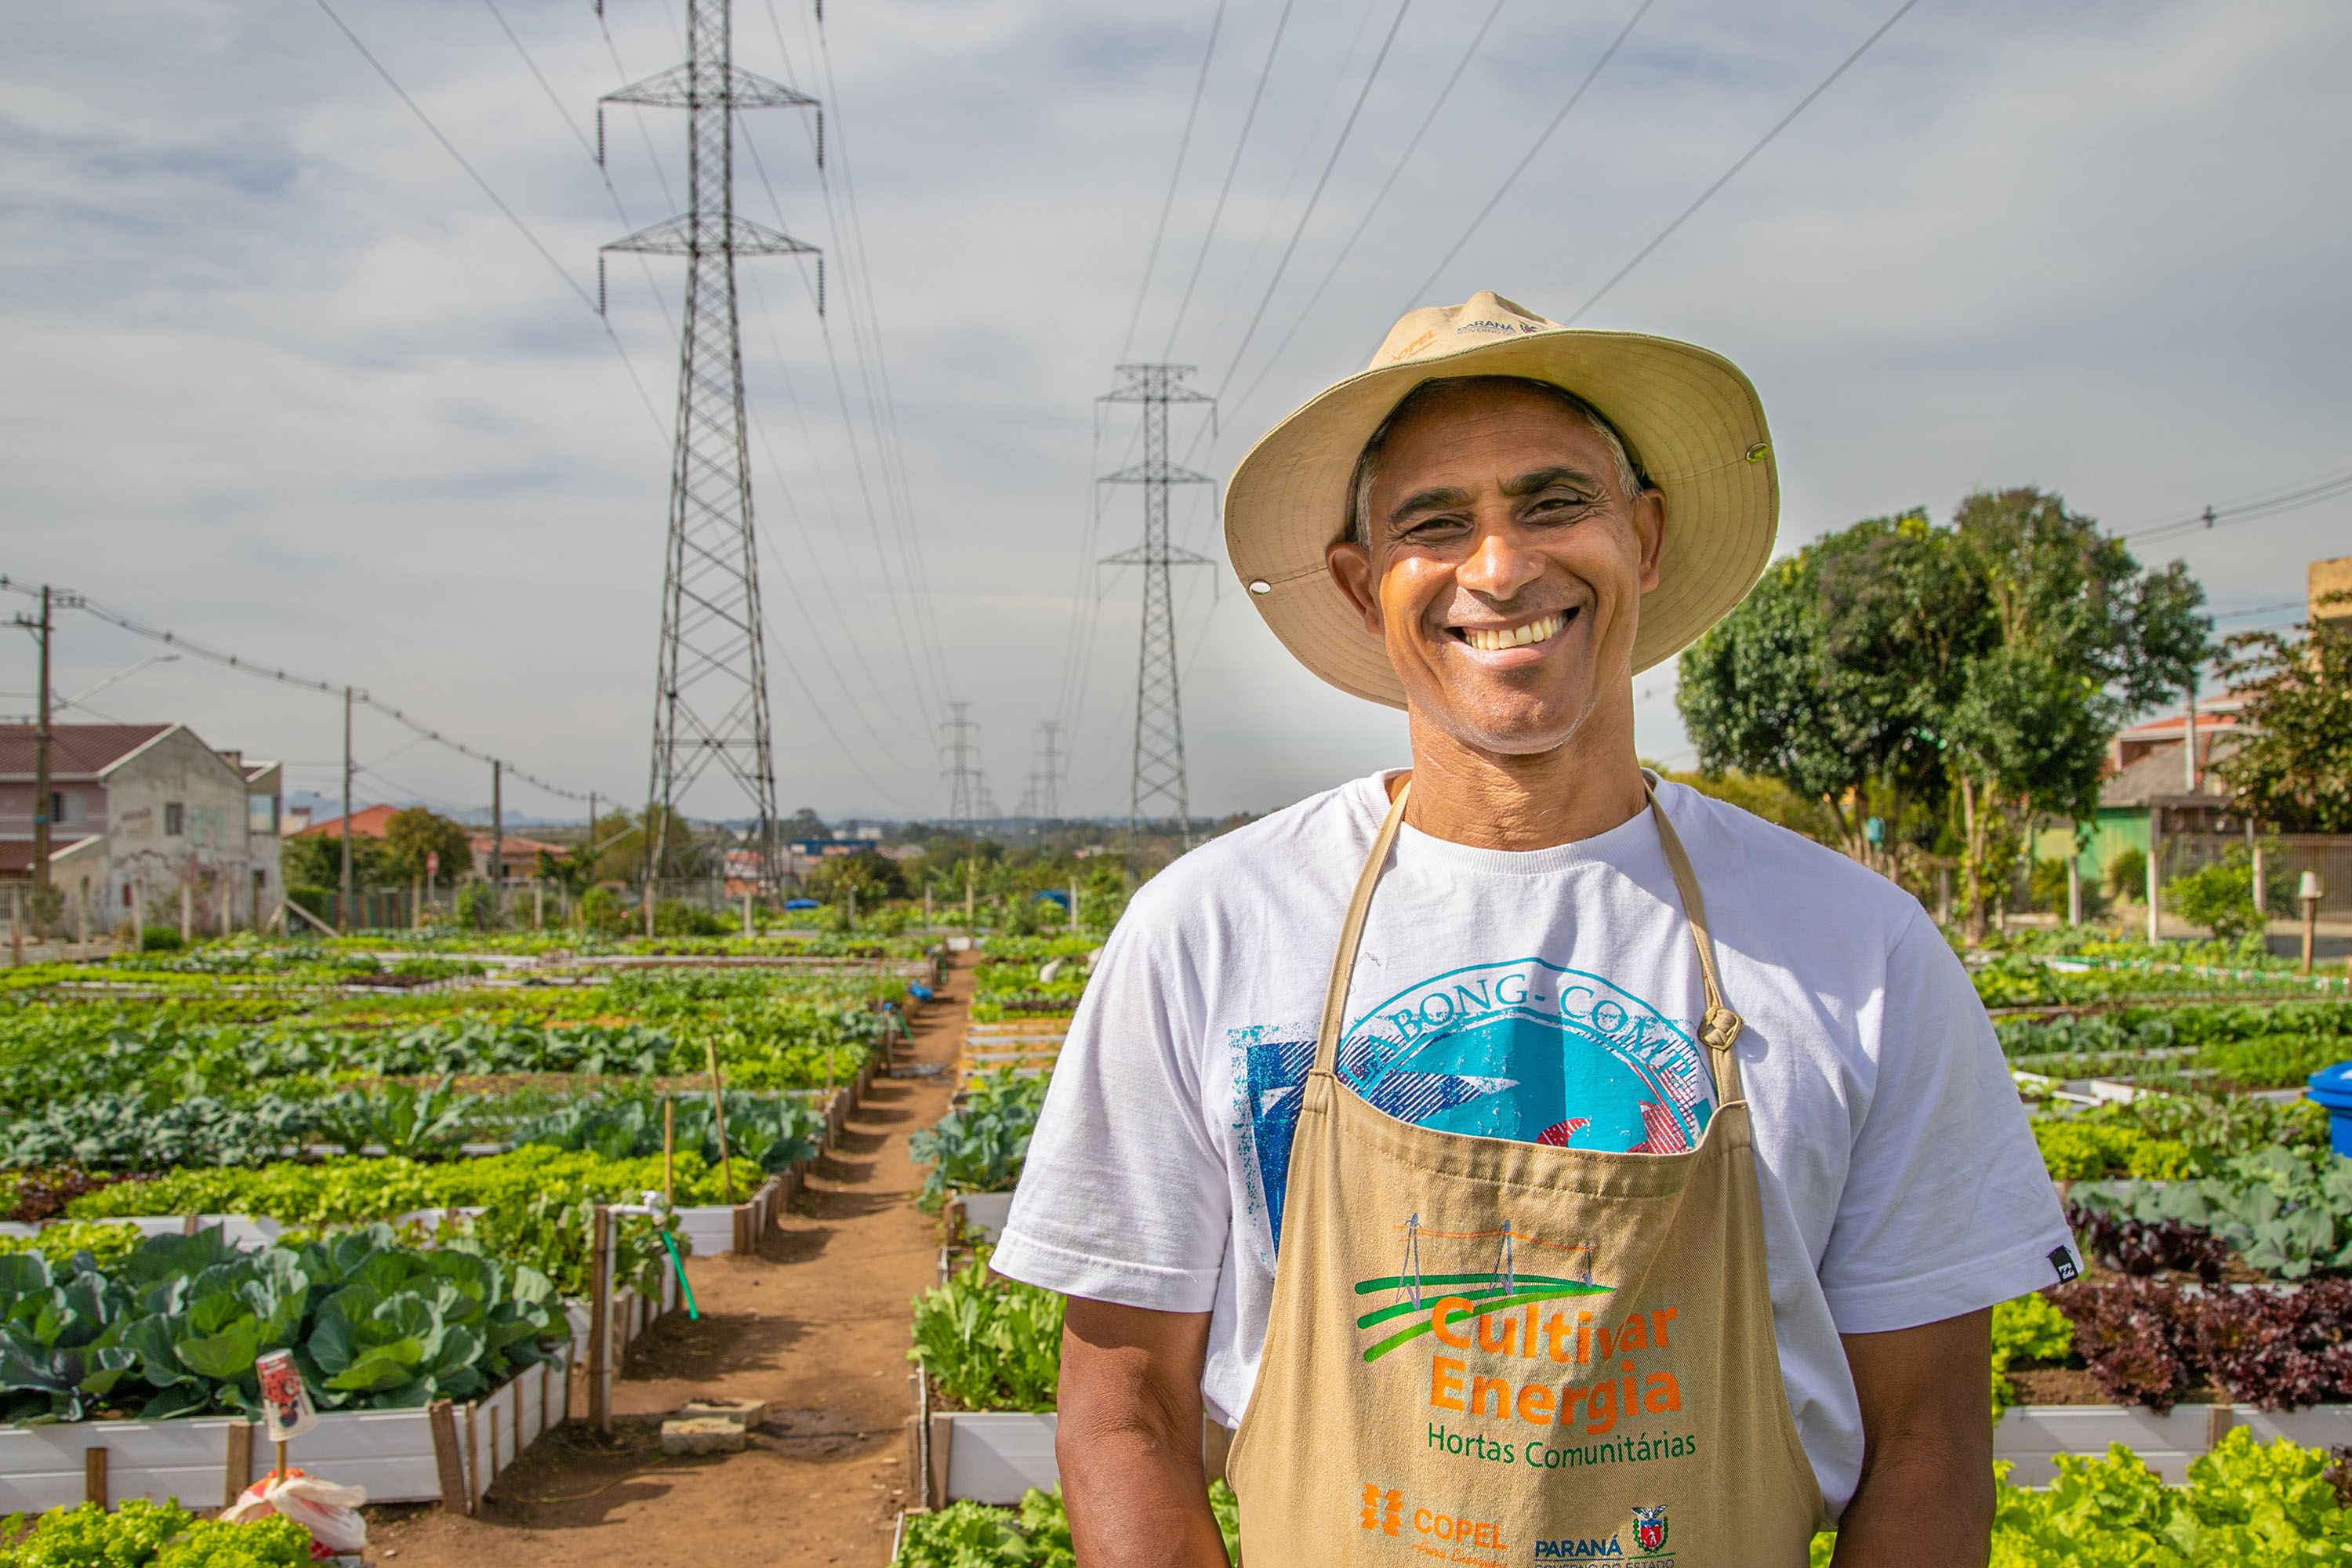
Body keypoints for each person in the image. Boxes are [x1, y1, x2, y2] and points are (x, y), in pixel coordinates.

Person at [993, 292, 2072, 1566]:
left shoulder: (1859, 950)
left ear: (1647, 538)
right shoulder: (1211, 930)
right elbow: (1124, 1412)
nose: (1499, 568)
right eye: (1435, 524)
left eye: (1553, 502)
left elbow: (1930, 1441)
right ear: (1362, 582)